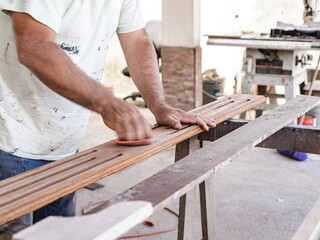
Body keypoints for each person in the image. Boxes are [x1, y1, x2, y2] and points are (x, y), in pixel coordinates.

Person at [0, 0, 215, 225]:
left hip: (64, 140)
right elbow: (34, 46)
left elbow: (138, 40)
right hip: (11, 138)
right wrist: (106, 103)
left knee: (59, 231)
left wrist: (159, 105)